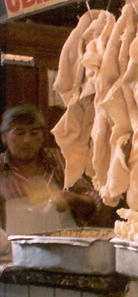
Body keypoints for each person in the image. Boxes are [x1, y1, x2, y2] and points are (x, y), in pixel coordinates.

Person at [0, 104, 108, 252]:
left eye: (34, 133)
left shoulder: (59, 159)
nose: (27, 140)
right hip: (12, 256)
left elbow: (94, 198)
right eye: (19, 133)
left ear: (43, 136)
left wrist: (72, 199)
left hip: (64, 253)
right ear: (4, 137)